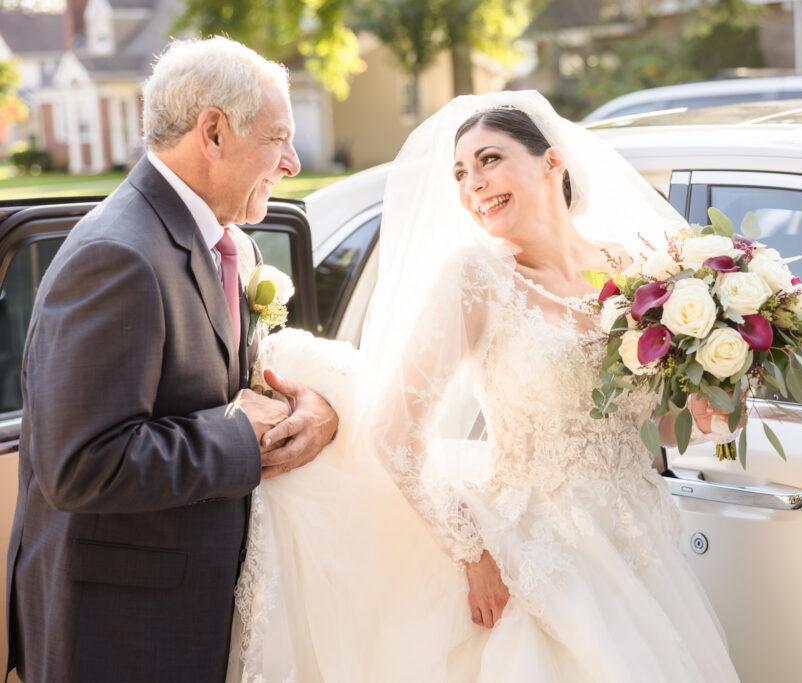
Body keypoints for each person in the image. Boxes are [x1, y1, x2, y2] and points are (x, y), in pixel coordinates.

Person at [231, 91, 740, 682]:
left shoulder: (639, 272)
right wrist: (473, 553)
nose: (473, 183)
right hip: (534, 557)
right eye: (460, 173)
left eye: (490, 160)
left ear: (553, 163)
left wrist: (710, 409)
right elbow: (393, 434)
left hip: (639, 546)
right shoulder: (476, 277)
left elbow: (663, 425)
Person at [5, 37, 338, 683]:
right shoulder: (118, 256)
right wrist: (240, 434)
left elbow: (227, 381)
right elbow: (80, 465)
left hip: (190, 605)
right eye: (278, 138)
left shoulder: (222, 242)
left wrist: (314, 406)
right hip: (122, 631)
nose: (293, 162)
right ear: (212, 131)